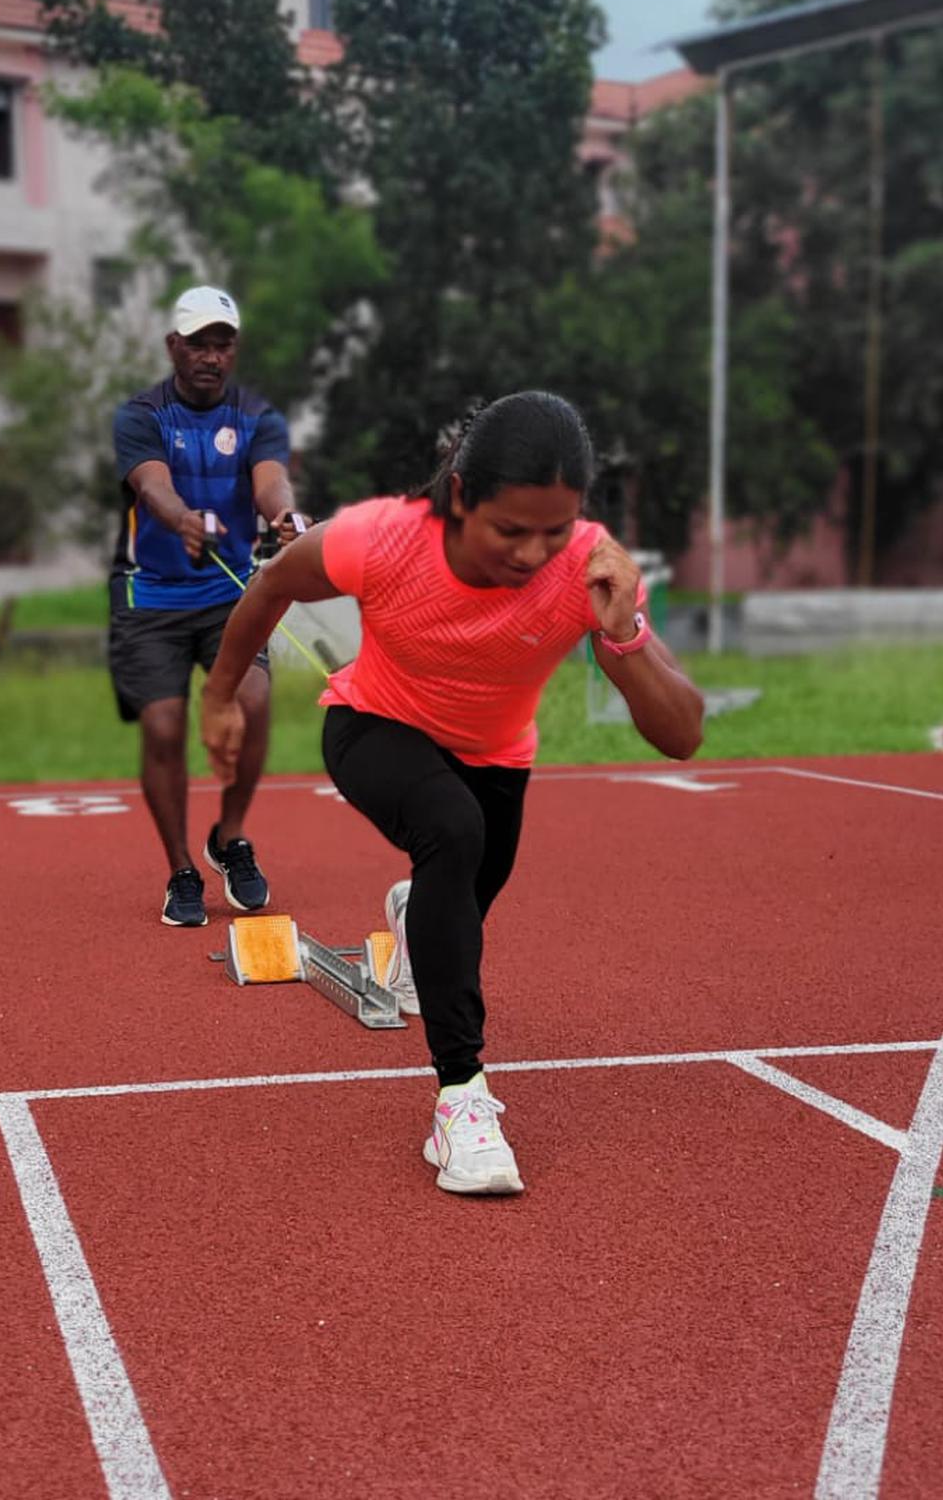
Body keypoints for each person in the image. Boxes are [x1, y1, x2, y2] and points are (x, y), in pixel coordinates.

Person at [201, 390, 703, 1195]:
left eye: (555, 530)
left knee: (460, 897)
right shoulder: (383, 538)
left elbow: (682, 736)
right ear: (462, 496)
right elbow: (270, 588)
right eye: (511, 530)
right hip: (374, 724)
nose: (535, 555)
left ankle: (411, 918)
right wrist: (221, 695)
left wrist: (625, 636)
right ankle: (461, 1102)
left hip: (495, 757)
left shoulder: (589, 564)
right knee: (452, 831)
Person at [109, 284, 309, 928]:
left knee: (252, 707)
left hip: (231, 597)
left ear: (234, 350)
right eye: (199, 343)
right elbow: (151, 485)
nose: (211, 356)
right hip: (151, 599)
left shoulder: (258, 417)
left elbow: (271, 480)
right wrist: (181, 519)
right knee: (165, 729)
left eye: (223, 344)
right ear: (175, 346)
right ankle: (180, 871)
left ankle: (228, 837)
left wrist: (283, 516)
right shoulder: (141, 416)